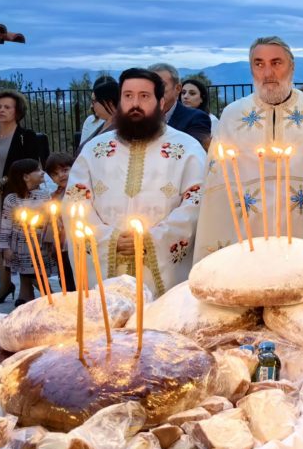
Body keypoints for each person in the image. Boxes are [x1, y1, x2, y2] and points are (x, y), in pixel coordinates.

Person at [193, 37, 303, 276]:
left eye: (276, 63)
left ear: (291, 66)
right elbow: (217, 187)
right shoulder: (233, 115)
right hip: (248, 239)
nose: (268, 73)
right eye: (259, 64)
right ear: (251, 68)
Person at [66, 68, 206, 298]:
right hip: (108, 268)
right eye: (128, 96)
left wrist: (152, 239)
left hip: (163, 278)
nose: (135, 103)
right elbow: (75, 200)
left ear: (161, 102)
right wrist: (107, 238)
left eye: (144, 96)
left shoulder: (187, 149)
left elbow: (197, 202)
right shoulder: (94, 150)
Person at [0, 90, 49, 304]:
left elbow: (30, 165)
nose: (2, 110)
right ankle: (5, 285)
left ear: (17, 111)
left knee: (22, 240)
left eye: (7, 107)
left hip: (16, 196)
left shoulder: (26, 136)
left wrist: (3, 181)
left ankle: (33, 287)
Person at [0, 158, 55, 305]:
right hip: (20, 244)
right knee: (26, 272)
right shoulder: (11, 199)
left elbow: (51, 219)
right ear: (25, 177)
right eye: (37, 170)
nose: (42, 172)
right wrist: (6, 248)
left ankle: (48, 296)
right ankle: (28, 298)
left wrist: (51, 239)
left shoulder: (44, 195)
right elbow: (6, 225)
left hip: (40, 242)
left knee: (39, 272)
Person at [150, 63, 212, 149]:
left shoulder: (197, 118)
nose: (154, 90)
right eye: (150, 85)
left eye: (161, 85)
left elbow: (192, 150)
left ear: (178, 88)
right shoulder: (140, 116)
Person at [43, 151, 77, 292]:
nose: (61, 175)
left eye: (64, 170)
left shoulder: (81, 190)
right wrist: (50, 242)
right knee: (66, 277)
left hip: (77, 241)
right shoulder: (55, 196)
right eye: (55, 174)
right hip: (62, 244)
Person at [75, 76, 119, 155]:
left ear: (109, 102)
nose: (92, 106)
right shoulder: (94, 122)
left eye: (94, 101)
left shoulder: (120, 127)